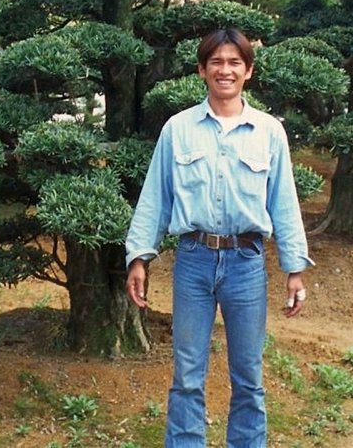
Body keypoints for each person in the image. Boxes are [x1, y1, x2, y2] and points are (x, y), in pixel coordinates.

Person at [125, 28, 313, 448]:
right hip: (193, 261)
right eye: (216, 63)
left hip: (246, 264)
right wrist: (139, 256)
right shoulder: (178, 129)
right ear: (202, 70)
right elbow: (156, 195)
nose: (224, 70)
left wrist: (294, 268)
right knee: (187, 375)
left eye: (234, 63)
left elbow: (284, 201)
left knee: (248, 376)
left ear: (248, 71)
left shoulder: (269, 132)